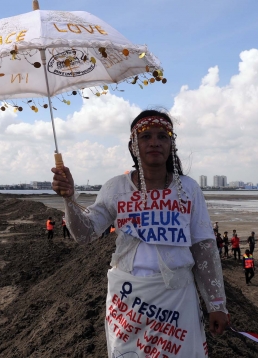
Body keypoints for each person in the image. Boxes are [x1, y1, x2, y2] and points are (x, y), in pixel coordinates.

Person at [51, 109, 228, 357]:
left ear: (171, 144)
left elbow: (204, 247)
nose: (154, 142)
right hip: (127, 302)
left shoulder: (188, 189)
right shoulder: (117, 188)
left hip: (177, 299)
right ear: (133, 146)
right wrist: (69, 199)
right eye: (145, 137)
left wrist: (216, 304)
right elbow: (85, 234)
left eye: (162, 136)